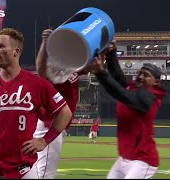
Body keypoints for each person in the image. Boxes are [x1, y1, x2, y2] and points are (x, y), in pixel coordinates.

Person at [0, 28, 72, 179]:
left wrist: (44, 140)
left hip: (24, 166)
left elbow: (65, 112)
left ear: (16, 51)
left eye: (1, 47)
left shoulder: (36, 84)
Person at [91, 40, 166, 179]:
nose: (141, 76)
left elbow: (121, 93)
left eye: (146, 75)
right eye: (140, 73)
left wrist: (101, 72)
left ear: (156, 82)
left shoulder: (151, 97)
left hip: (143, 160)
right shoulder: (134, 89)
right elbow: (118, 77)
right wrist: (112, 53)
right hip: (124, 158)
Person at [33, 29, 87, 179]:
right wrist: (45, 43)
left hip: (54, 125)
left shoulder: (72, 67)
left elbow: (91, 65)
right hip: (49, 125)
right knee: (45, 174)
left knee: (38, 171)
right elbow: (41, 70)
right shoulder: (55, 68)